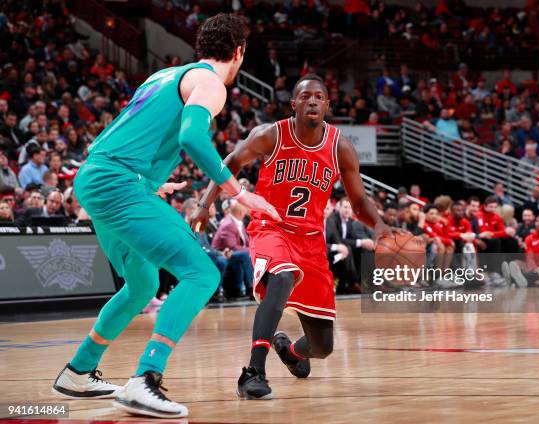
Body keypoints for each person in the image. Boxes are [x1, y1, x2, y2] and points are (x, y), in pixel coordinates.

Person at [52, 15, 280, 419]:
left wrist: (150, 183)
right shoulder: (210, 82)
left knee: (142, 284)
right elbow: (191, 137)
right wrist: (239, 191)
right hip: (118, 183)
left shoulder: (163, 75)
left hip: (98, 177)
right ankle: (145, 379)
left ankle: (79, 370)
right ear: (239, 51)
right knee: (202, 273)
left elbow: (130, 132)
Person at [194, 74, 395, 400]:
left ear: (327, 104)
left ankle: (292, 353)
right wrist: (204, 204)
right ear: (294, 104)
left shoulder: (340, 146)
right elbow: (229, 163)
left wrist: (380, 225)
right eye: (305, 96)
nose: (312, 101)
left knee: (323, 347)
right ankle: (253, 371)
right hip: (271, 228)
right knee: (283, 275)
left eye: (319, 96)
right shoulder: (271, 135)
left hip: (311, 241)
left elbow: (358, 200)